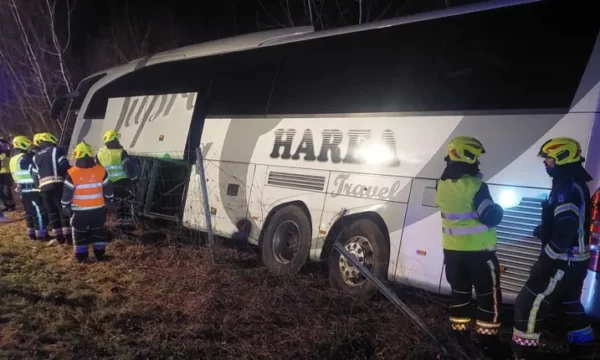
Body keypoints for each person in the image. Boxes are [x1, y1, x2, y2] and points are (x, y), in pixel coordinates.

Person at [512, 137, 596, 359]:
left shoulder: (566, 185)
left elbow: (565, 231)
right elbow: (568, 221)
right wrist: (545, 228)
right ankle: (584, 349)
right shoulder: (573, 181)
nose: (545, 162)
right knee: (569, 304)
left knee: (528, 302)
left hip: (564, 260)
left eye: (548, 157)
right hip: (576, 261)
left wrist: (544, 262)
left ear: (561, 157)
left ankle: (523, 353)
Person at [435, 136, 506, 356]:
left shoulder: (442, 184)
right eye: (475, 157)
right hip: (479, 255)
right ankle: (488, 342)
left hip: (453, 254)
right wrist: (500, 209)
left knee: (460, 294)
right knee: (489, 296)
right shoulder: (477, 186)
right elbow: (490, 216)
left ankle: (459, 337)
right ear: (468, 156)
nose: (478, 162)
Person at [61, 141, 114, 262]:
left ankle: (81, 256)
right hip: (98, 209)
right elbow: (108, 189)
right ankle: (100, 255)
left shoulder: (71, 173)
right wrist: (109, 201)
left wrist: (65, 205)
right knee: (98, 231)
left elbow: (67, 194)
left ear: (76, 156)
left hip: (79, 211)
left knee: (79, 232)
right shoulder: (101, 170)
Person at [31, 132, 72, 244]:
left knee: (52, 212)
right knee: (62, 210)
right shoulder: (56, 151)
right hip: (57, 184)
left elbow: (34, 175)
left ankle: (59, 238)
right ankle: (68, 237)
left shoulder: (35, 157)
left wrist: (39, 186)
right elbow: (65, 167)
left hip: (44, 188)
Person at [95, 129, 138, 228]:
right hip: (122, 183)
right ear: (115, 140)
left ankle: (104, 225)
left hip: (107, 184)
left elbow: (97, 168)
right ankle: (125, 228)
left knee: (110, 205)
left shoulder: (100, 152)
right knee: (124, 205)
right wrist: (134, 179)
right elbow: (127, 167)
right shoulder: (121, 152)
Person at [9, 135, 49, 240]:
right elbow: (34, 170)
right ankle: (42, 235)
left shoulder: (13, 158)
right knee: (38, 212)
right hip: (32, 188)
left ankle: (31, 233)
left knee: (29, 213)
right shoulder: (24, 158)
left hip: (22, 189)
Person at [0, 135, 16, 212]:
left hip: (7, 172)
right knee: (1, 190)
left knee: (6, 190)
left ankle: (12, 205)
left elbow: (9, 152)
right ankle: (7, 205)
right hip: (1, 173)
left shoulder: (6, 151)